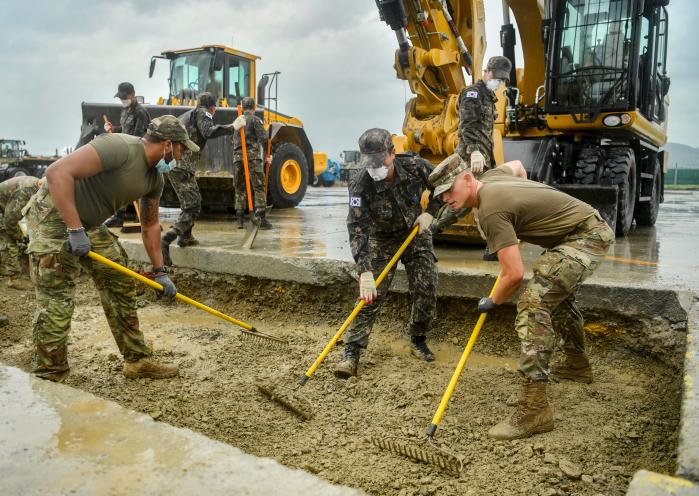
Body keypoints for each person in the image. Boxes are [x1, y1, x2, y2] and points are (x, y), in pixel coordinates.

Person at [429, 154, 614, 440]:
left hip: (586, 237)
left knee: (533, 303)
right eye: (441, 195)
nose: (446, 199)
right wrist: (524, 210)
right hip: (581, 229)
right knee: (554, 296)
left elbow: (513, 274)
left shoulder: (490, 209)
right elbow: (517, 165)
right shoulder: (490, 178)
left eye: (449, 191)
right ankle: (577, 366)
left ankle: (534, 409)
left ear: (467, 179)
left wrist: (494, 301)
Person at [23, 115, 198, 383]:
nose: (182, 155)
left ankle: (137, 360)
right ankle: (49, 375)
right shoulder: (120, 148)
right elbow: (57, 172)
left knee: (119, 280)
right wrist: (74, 229)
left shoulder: (155, 180)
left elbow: (150, 226)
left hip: (88, 224)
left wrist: (160, 270)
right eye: (181, 148)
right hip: (54, 218)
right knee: (57, 298)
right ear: (166, 145)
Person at [334, 128, 442, 379]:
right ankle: (352, 351)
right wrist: (365, 271)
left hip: (415, 232)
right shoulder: (361, 182)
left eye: (379, 161)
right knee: (371, 294)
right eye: (369, 163)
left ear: (392, 153)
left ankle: (418, 338)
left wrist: (430, 212)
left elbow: (444, 185)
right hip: (381, 239)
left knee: (426, 285)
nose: (374, 169)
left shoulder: (416, 166)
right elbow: (357, 227)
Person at [432, 56, 513, 261]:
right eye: (497, 77)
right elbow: (467, 125)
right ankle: (432, 230)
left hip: (483, 157)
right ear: (487, 72)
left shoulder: (490, 98)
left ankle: (431, 231)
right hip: (472, 156)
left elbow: (485, 130)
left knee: (475, 201)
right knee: (472, 201)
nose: (499, 82)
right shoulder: (473, 93)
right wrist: (475, 150)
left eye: (502, 79)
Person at [161, 92, 242, 264]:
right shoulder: (203, 113)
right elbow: (208, 132)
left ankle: (186, 237)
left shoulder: (187, 115)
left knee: (188, 202)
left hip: (175, 164)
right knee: (194, 205)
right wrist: (232, 127)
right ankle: (169, 237)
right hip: (183, 164)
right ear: (212, 107)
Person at [104, 82, 152, 228]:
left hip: (137, 153)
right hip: (125, 151)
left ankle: (143, 217)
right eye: (120, 98)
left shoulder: (140, 112)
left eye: (124, 97)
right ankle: (119, 217)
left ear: (132, 95)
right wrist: (114, 128)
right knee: (122, 184)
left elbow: (138, 136)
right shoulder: (125, 110)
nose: (122, 100)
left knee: (135, 185)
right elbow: (125, 129)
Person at [232, 96, 271, 229]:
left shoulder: (238, 121)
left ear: (242, 108)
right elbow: (264, 138)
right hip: (252, 157)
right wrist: (267, 155)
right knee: (258, 186)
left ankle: (239, 219)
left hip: (237, 158)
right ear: (254, 108)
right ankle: (260, 217)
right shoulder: (255, 120)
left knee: (239, 187)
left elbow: (233, 140)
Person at [0, 175, 40, 289]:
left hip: (6, 208)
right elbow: (10, 220)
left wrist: (31, 233)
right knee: (9, 242)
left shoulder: (38, 187)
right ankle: (14, 279)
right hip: (4, 212)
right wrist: (21, 238)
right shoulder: (26, 192)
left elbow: (31, 215)